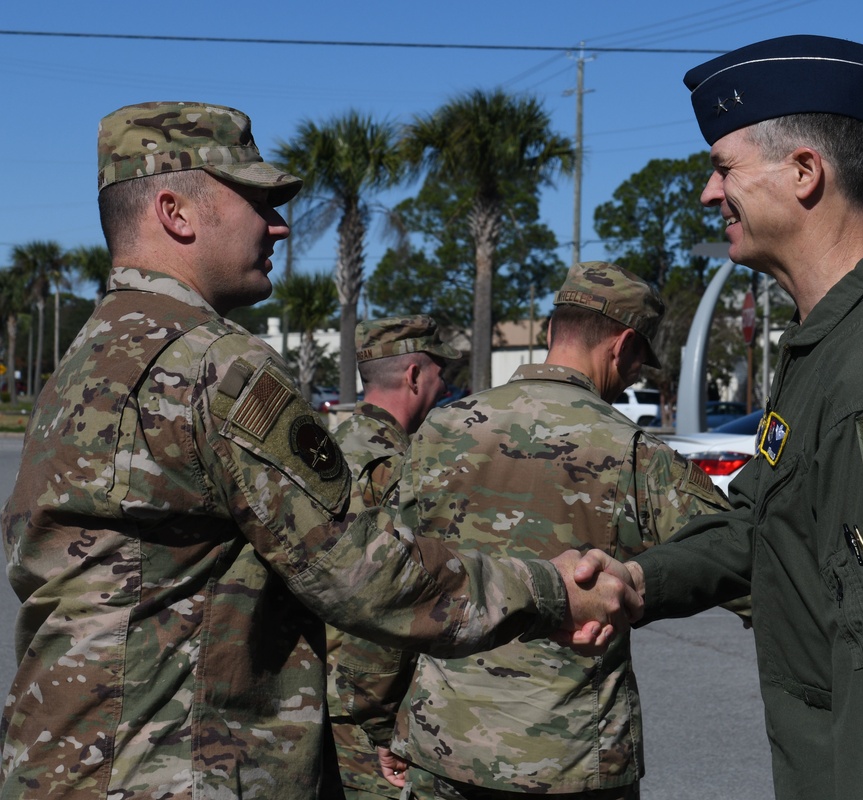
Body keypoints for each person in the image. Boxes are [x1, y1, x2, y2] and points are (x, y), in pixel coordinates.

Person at [0, 101, 638, 800]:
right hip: (182, 772)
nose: (278, 224)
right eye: (257, 200)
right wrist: (552, 590)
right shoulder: (215, 364)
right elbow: (365, 573)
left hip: (61, 764)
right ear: (175, 212)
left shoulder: (84, 360)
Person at [573, 35, 863, 799]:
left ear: (805, 172)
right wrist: (638, 577)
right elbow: (757, 523)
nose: (709, 192)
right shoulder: (832, 340)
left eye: (724, 166)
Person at [339, 262, 732, 800]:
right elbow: (730, 552)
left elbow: (390, 580)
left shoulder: (439, 432)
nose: (637, 375)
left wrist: (380, 716)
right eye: (640, 360)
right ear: (622, 348)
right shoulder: (637, 455)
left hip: (445, 744)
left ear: (550, 333)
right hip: (573, 762)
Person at [328, 315, 460, 800]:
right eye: (440, 374)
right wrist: (385, 725)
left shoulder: (327, 448)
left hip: (322, 693)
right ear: (414, 376)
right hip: (370, 701)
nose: (444, 386)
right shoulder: (401, 465)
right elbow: (391, 594)